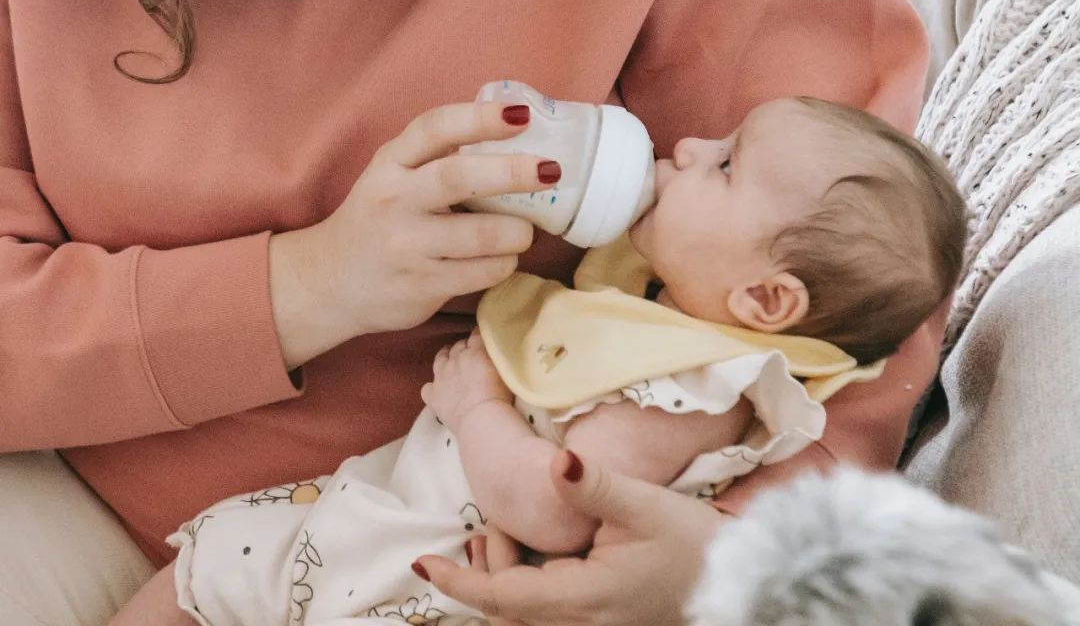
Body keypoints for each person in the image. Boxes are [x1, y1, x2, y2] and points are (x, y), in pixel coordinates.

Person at [0, 0, 934, 623]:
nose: (688, 157)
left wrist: (722, 559)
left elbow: (856, 302)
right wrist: (308, 285)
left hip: (471, 561)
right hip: (84, 489)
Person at [109, 97, 965, 625]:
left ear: (766, 303)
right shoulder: (656, 308)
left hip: (427, 577)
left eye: (727, 163)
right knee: (208, 568)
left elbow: (558, 505)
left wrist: (477, 405)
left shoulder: (695, 388)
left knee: (210, 573)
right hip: (382, 525)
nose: (693, 145)